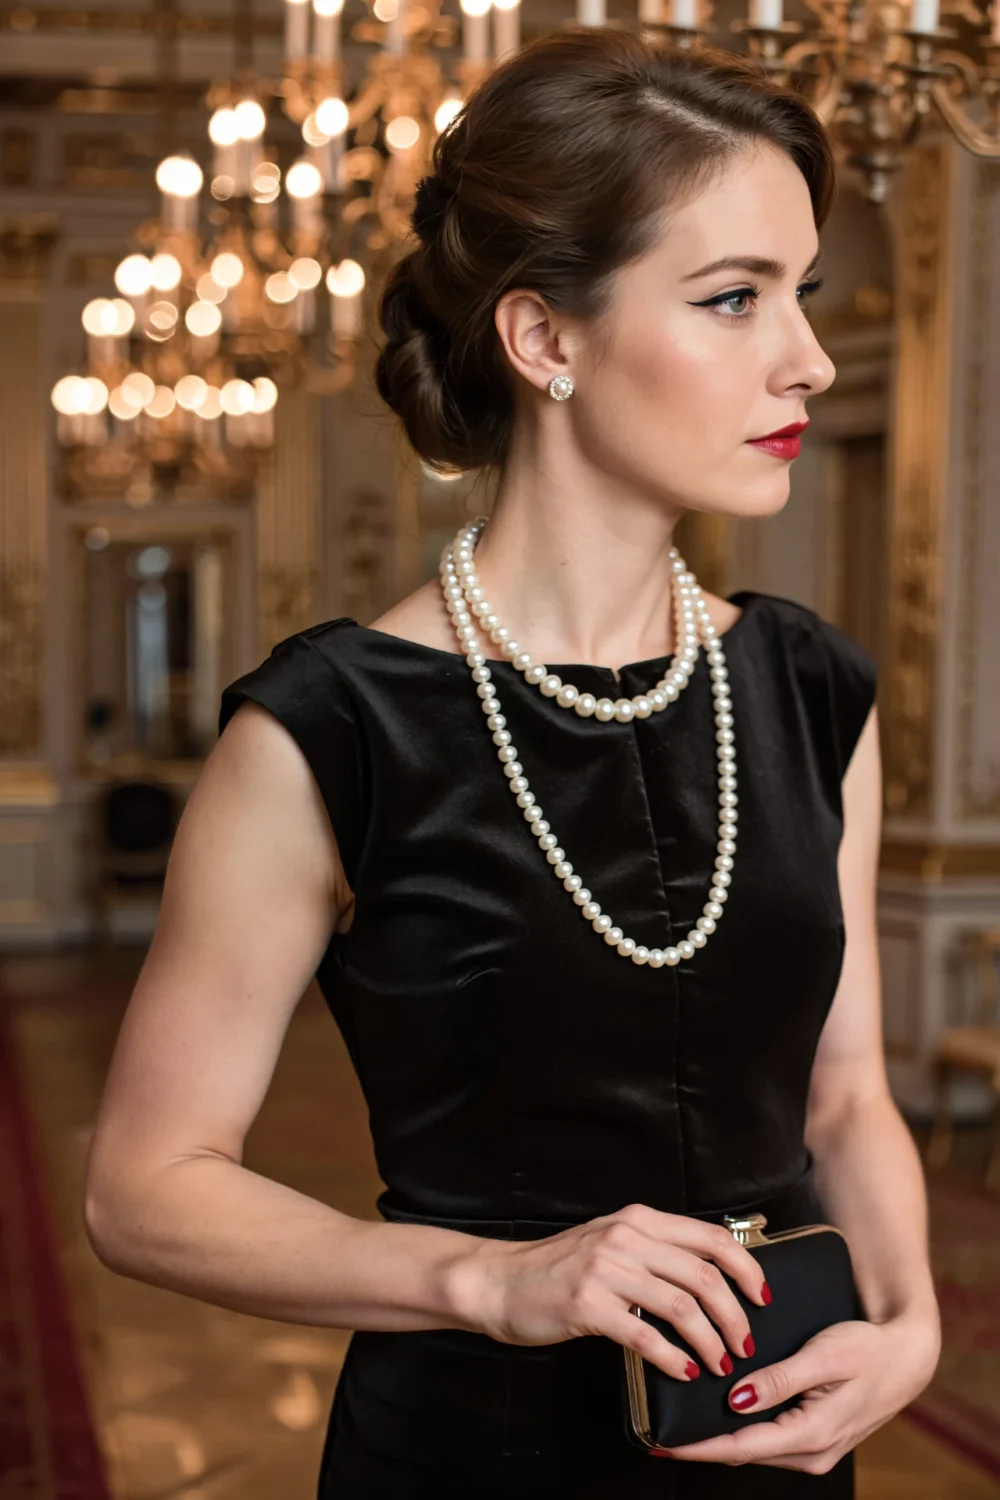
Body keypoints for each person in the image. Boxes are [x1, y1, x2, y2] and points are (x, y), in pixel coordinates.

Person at [83, 26, 942, 1499]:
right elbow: (142, 1191)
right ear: (544, 340)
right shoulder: (330, 726)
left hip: (785, 1447)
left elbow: (846, 1096)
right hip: (463, 1453)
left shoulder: (810, 685)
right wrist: (494, 1283)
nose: (806, 356)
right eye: (735, 298)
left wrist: (911, 1327)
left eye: (798, 293)